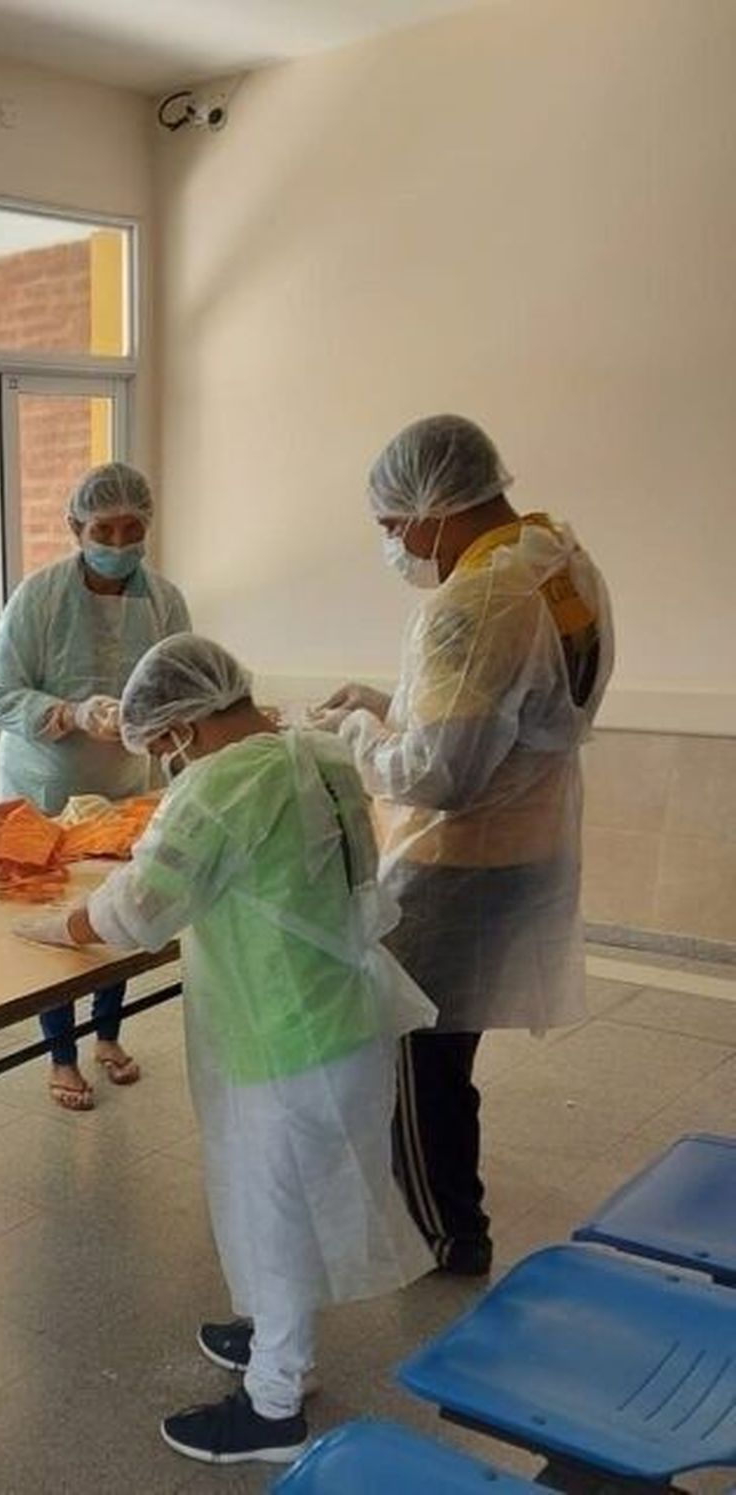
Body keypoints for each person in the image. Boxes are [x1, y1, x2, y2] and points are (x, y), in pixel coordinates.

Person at [18, 633, 436, 1466]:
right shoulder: (312, 751)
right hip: (342, 1014)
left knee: (271, 1211)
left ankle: (275, 1407)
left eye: (164, 743)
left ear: (182, 726)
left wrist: (49, 926)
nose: (167, 759)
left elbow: (135, 911)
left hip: (279, 1032)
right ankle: (276, 1341)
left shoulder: (216, 785)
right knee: (295, 1196)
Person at [315, 414, 613, 1278]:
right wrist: (393, 701)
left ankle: (446, 1232)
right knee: (448, 1047)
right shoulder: (555, 557)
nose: (394, 545)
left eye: (390, 527)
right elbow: (518, 710)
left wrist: (362, 730)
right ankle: (440, 1204)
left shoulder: (474, 600)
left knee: (419, 1051)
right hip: (529, 841)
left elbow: (438, 774)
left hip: (462, 863)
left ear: (433, 508)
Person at [0, 462, 191, 1111]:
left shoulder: (164, 601)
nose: (120, 541)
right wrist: (71, 713)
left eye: (134, 528)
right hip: (44, 787)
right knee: (56, 922)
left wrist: (170, 741)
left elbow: (183, 686)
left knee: (114, 910)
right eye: (106, 527)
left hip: (124, 787)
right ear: (77, 526)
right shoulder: (39, 598)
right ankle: (61, 1052)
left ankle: (107, 1034)